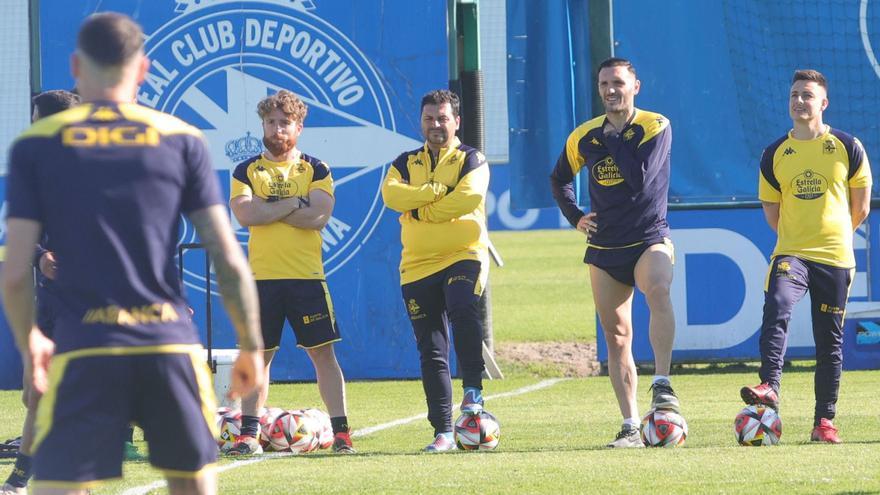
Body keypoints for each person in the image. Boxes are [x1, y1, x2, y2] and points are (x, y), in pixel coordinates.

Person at [1, 13, 264, 495]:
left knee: (58, 487)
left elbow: (15, 270)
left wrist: (30, 342)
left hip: (84, 346)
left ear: (77, 67)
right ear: (141, 70)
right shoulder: (181, 138)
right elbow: (227, 257)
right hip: (168, 343)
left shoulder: (36, 145)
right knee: (193, 486)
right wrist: (249, 343)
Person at [549, 57, 679, 448]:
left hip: (647, 237)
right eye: (604, 83)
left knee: (657, 288)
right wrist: (575, 216)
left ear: (634, 86)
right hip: (605, 247)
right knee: (616, 335)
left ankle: (662, 384)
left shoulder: (655, 126)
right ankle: (629, 425)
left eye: (618, 83)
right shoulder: (584, 136)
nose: (610, 90)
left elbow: (639, 182)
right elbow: (558, 179)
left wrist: (614, 139)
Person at [741, 69, 871, 444]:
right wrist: (798, 237)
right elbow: (773, 212)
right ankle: (770, 386)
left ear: (823, 103)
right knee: (778, 302)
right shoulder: (775, 153)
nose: (799, 101)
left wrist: (830, 235)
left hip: (835, 259)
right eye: (795, 94)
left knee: (828, 343)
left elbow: (859, 207)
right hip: (792, 253)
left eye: (808, 95)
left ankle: (824, 422)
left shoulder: (847, 146)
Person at [228, 89, 354, 455]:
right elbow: (247, 215)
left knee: (323, 356)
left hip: (306, 278)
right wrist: (295, 202)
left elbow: (318, 217)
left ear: (299, 127)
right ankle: (249, 435)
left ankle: (342, 433)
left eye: (285, 123)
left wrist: (272, 207)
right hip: (261, 279)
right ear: (262, 126)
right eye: (271, 122)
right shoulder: (246, 170)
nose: (277, 129)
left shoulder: (316, 168)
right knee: (258, 358)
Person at [381, 89, 491, 452]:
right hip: (416, 265)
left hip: (463, 253)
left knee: (462, 308)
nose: (435, 125)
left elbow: (469, 198)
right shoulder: (404, 162)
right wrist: (435, 190)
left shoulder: (471, 158)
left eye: (442, 118)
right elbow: (392, 196)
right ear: (421, 121)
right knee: (431, 348)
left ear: (456, 121)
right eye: (429, 118)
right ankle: (443, 431)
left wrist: (421, 210)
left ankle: (473, 392)